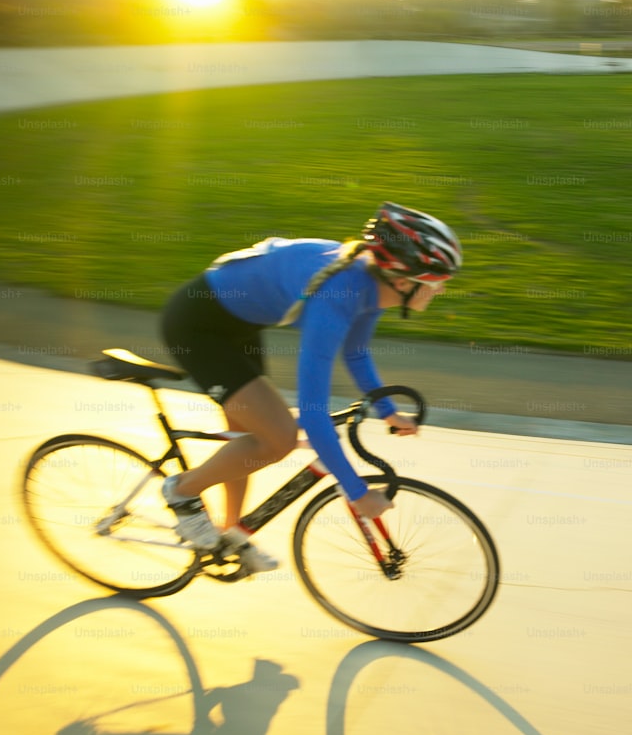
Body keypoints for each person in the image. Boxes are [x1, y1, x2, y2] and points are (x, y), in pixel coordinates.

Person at [159, 202, 462, 573]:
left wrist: (387, 411)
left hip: (238, 325)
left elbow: (355, 352)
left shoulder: (371, 283)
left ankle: (230, 534)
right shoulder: (338, 294)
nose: (441, 290)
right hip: (198, 328)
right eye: (436, 282)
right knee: (279, 437)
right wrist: (358, 493)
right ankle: (182, 492)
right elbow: (314, 411)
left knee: (249, 436)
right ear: (403, 279)